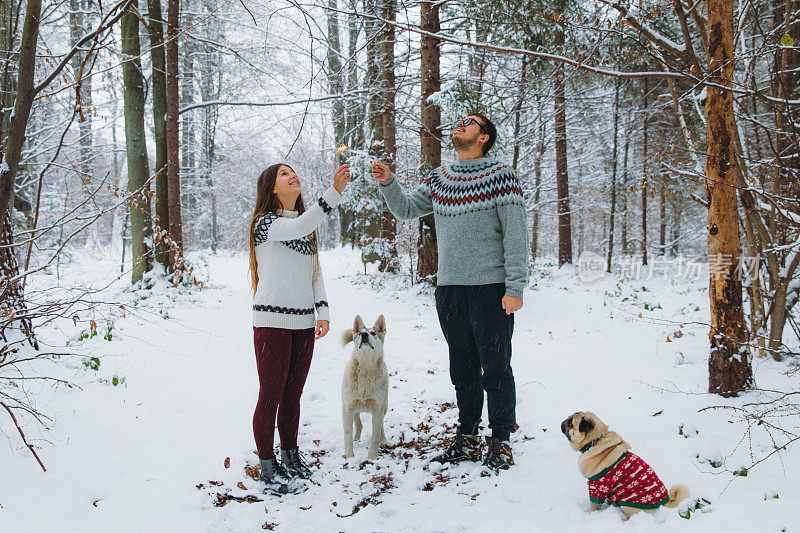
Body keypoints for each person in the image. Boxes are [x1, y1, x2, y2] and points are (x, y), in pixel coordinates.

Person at [371, 112, 528, 474]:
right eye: (459, 121)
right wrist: (389, 182)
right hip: (449, 289)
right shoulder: (440, 178)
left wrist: (515, 286)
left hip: (490, 289)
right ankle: (468, 436)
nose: (460, 124)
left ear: (484, 136)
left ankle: (501, 441)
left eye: (470, 122)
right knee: (462, 368)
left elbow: (516, 235)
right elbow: (407, 208)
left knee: (496, 368)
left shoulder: (501, 176)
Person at [248, 162, 350, 494]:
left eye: (294, 172)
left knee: (293, 395)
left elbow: (315, 273)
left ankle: (290, 456)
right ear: (272, 188)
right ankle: (267, 467)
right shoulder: (266, 224)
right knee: (271, 395)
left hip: (303, 323)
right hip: (272, 322)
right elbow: (300, 224)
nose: (293, 176)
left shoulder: (306, 229)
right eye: (284, 174)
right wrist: (334, 192)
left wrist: (322, 311)